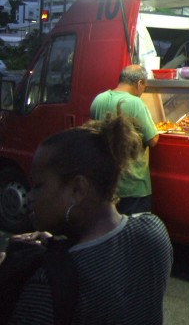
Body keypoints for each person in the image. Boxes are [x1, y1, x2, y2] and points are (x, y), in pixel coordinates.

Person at [1, 114, 173, 324]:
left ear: (77, 189)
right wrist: (59, 247)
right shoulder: (153, 232)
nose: (29, 196)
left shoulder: (49, 282)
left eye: (38, 186)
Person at [90, 64, 159, 214]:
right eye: (144, 86)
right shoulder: (135, 103)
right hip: (134, 185)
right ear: (139, 83)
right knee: (135, 233)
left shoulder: (98, 100)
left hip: (108, 183)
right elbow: (153, 140)